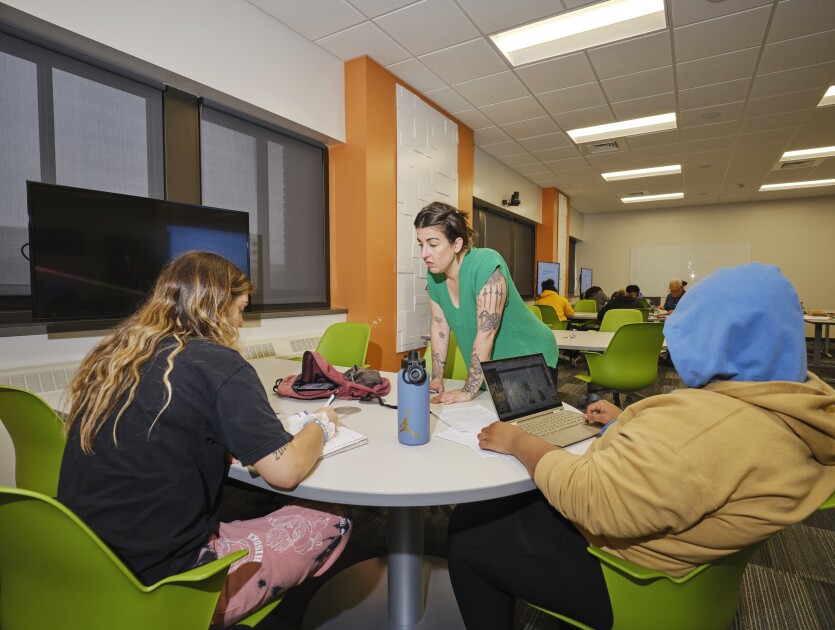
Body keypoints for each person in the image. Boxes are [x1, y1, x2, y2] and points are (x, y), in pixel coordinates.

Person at [446, 263, 835, 630]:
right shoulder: (798, 406)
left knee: (468, 531)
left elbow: (592, 499)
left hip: (632, 577)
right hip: (689, 556)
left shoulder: (706, 431)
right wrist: (624, 421)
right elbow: (706, 458)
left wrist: (519, 440)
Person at [57, 251, 351, 627]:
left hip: (80, 565)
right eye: (240, 309)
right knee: (333, 517)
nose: (241, 322)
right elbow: (286, 471)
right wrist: (320, 425)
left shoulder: (115, 357)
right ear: (216, 306)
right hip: (163, 586)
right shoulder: (218, 364)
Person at [414, 202, 559, 404]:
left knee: (521, 428)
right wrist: (437, 378)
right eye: (421, 244)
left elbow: (487, 332)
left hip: (528, 358)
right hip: (491, 365)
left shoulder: (486, 264)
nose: (424, 253)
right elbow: (440, 325)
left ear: (456, 244)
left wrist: (467, 391)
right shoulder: (435, 275)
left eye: (433, 244)